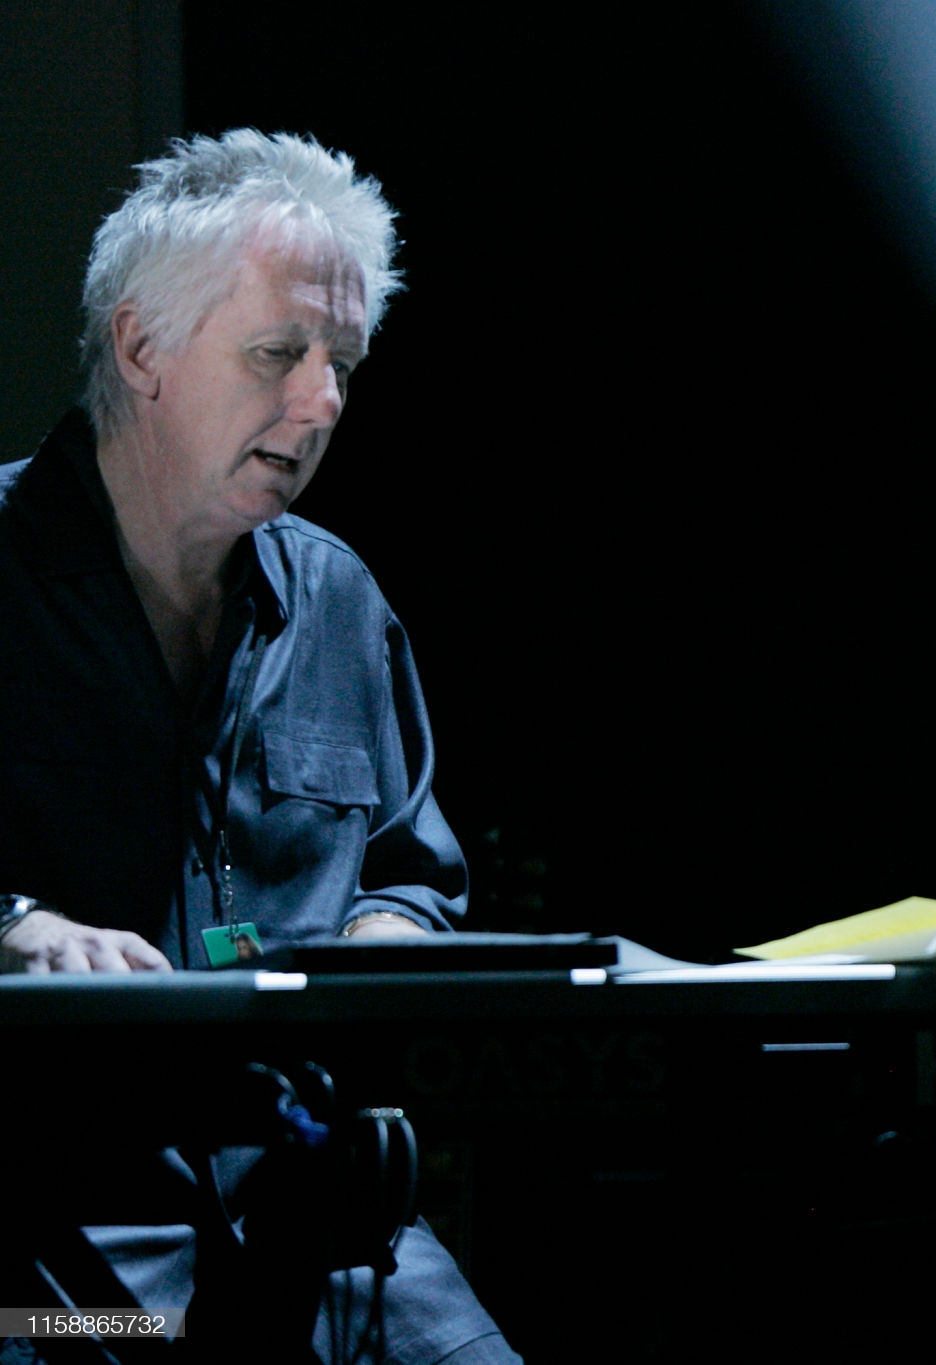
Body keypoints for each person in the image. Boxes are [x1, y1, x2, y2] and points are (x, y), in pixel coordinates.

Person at [0, 130, 517, 1363]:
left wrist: (385, 937)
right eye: (281, 353)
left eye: (341, 363)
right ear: (142, 349)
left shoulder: (338, 599)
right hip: (55, 1236)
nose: (323, 403)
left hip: (322, 1223)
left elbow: (410, 872)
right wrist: (15, 925)